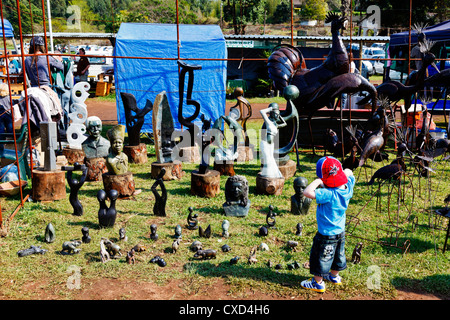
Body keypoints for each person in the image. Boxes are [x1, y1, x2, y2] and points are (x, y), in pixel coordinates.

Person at [300, 156, 355, 293]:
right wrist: (343, 173)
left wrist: (318, 181)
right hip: (340, 231)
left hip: (326, 234)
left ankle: (318, 283)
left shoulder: (327, 194)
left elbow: (307, 192)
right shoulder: (348, 188)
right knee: (338, 255)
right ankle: (334, 276)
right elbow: (349, 172)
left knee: (321, 257)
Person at [259, 103, 286, 178]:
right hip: (265, 143)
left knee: (271, 159)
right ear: (271, 113)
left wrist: (278, 115)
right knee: (268, 159)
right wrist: (271, 109)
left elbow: (284, 123)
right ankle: (269, 174)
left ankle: (275, 174)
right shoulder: (268, 122)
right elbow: (261, 111)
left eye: (278, 114)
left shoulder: (276, 124)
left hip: (271, 144)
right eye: (276, 114)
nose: (277, 116)